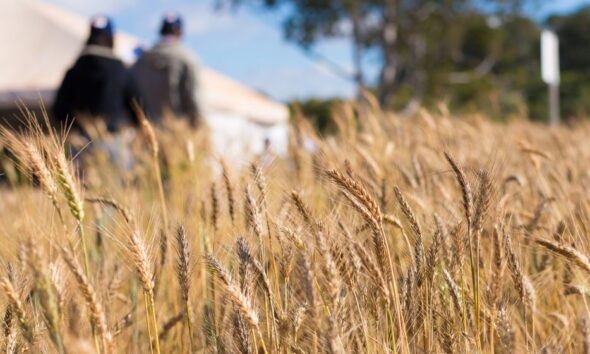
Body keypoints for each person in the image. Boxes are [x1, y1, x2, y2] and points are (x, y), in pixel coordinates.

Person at [53, 15, 145, 136]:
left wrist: (77, 128)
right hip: (115, 143)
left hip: (79, 147)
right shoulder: (121, 71)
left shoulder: (73, 72)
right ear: (111, 38)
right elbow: (140, 110)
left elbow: (58, 111)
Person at [132, 12, 203, 128]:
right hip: (176, 132)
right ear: (180, 33)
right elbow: (194, 99)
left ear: (161, 31)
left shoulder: (141, 61)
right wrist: (201, 128)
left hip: (145, 131)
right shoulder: (187, 59)